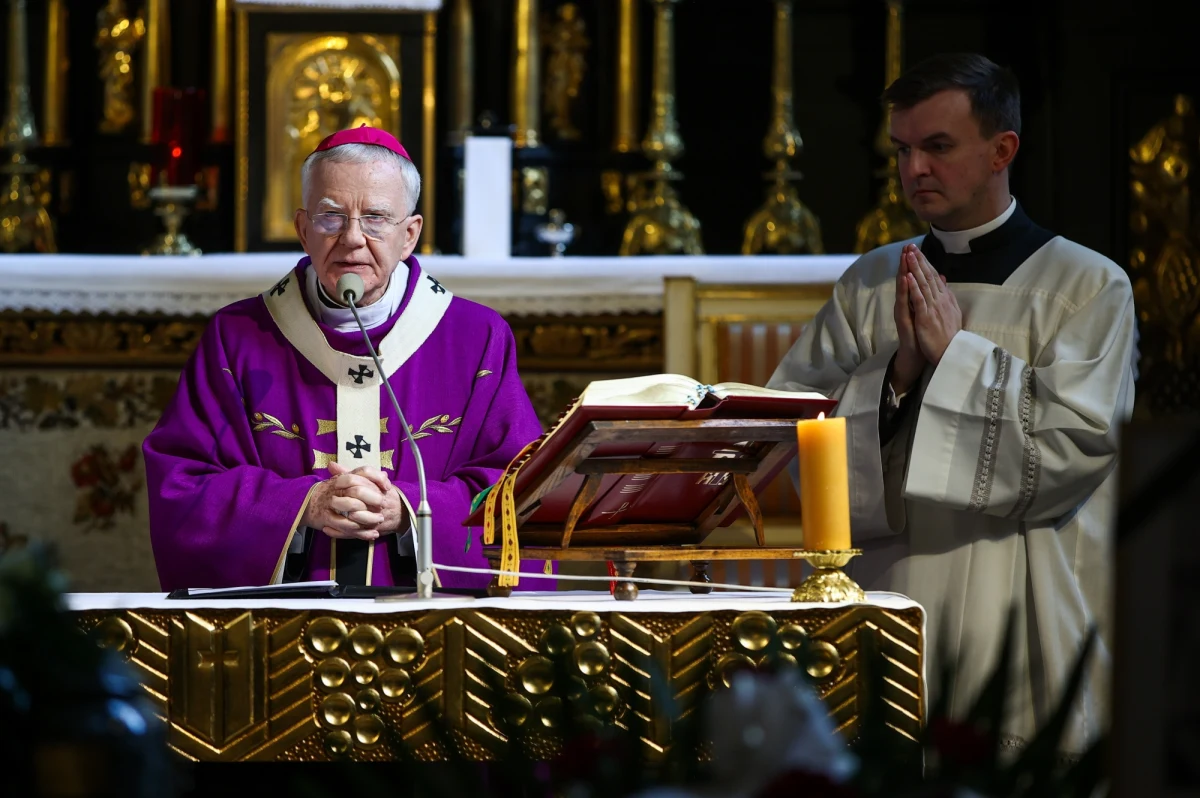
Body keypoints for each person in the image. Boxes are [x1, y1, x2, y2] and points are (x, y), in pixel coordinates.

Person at [768, 53, 1136, 755]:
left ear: (1003, 150)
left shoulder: (1087, 286)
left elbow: (1075, 453)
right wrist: (897, 374)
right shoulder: (873, 281)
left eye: (937, 147)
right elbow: (792, 433)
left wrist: (956, 358)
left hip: (1018, 601)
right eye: (903, 150)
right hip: (887, 597)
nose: (914, 171)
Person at [144, 125, 546, 591]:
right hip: (280, 628)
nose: (353, 239)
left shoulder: (475, 338)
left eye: (376, 217)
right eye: (331, 217)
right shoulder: (237, 337)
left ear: (410, 235)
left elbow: (521, 494)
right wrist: (303, 505)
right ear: (302, 229)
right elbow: (182, 488)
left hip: (431, 624)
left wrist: (410, 510)